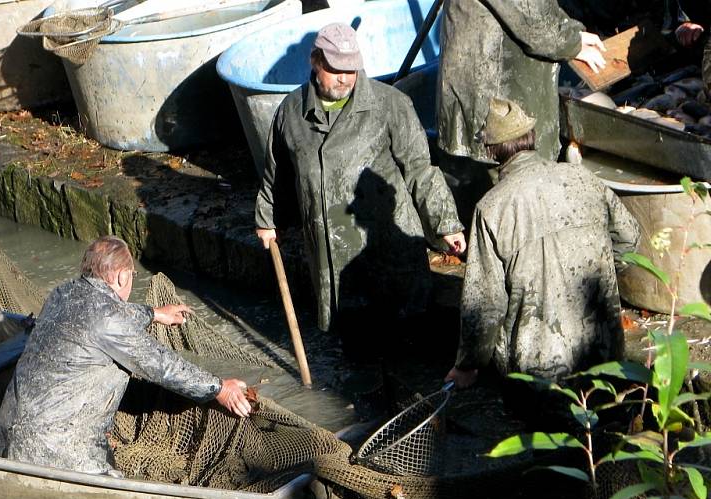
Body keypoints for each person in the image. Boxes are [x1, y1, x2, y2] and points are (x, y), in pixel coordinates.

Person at [254, 22, 465, 360]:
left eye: (351, 69)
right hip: (329, 250)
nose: (344, 78)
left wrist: (446, 223)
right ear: (315, 61)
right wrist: (267, 218)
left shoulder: (391, 105)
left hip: (387, 248)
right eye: (335, 69)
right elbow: (276, 173)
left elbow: (420, 170)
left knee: (408, 342)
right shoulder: (291, 113)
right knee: (352, 343)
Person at [0, 236, 252, 474]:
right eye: (132, 275)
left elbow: (101, 311)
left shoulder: (63, 293)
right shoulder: (110, 319)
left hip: (8, 437)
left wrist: (153, 313)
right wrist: (219, 388)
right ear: (120, 277)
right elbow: (161, 365)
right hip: (51, 452)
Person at [445, 99, 640, 397]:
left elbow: (485, 304)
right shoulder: (584, 178)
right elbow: (630, 240)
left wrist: (467, 364)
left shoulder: (491, 208)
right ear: (532, 137)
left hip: (538, 377)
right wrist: (603, 276)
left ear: (490, 151)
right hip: (605, 359)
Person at [436, 0, 607, 219]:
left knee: (473, 201)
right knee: (512, 207)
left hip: (470, 94)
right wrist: (571, 41)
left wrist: (571, 30)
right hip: (494, 97)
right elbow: (532, 18)